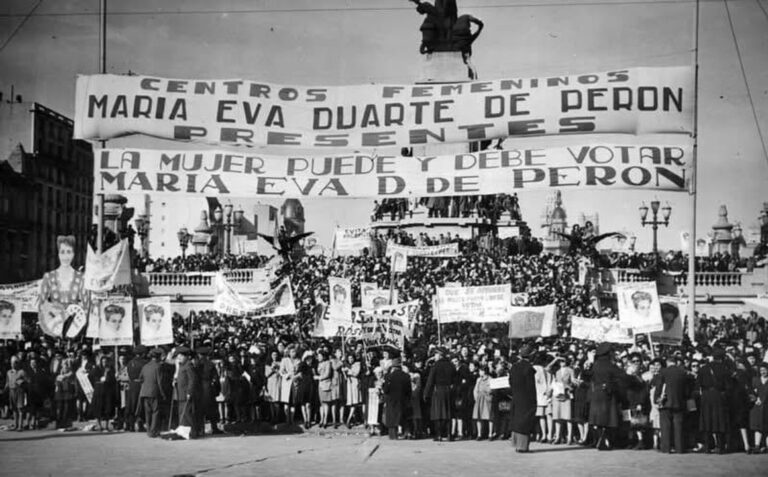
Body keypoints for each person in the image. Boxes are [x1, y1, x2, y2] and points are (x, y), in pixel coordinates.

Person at [38, 235, 88, 337]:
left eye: (69, 252)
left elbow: (86, 306)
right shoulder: (48, 277)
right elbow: (41, 305)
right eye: (62, 252)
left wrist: (78, 327)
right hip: (54, 327)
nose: (65, 256)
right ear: (58, 254)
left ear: (73, 254)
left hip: (74, 327)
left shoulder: (81, 278)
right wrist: (51, 321)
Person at [589, 343, 625, 451]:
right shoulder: (610, 365)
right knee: (608, 420)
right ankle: (605, 441)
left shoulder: (595, 365)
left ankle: (601, 440)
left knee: (599, 420)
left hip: (596, 394)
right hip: (607, 394)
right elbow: (621, 377)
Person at [654, 354, 690, 454]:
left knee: (665, 426)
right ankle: (679, 448)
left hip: (665, 402)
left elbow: (659, 387)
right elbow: (686, 391)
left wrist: (656, 399)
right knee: (678, 427)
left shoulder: (663, 372)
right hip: (679, 402)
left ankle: (666, 448)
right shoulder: (682, 372)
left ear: (667, 362)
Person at [697, 348, 730, 453]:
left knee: (706, 421)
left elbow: (698, 384)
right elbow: (728, 386)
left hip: (706, 396)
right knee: (719, 421)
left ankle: (707, 447)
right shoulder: (724, 368)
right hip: (719, 395)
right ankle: (721, 447)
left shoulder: (703, 368)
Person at [508, 345, 537, 453]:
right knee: (525, 421)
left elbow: (510, 382)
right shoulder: (529, 368)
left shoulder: (514, 366)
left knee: (517, 420)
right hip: (527, 398)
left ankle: (517, 445)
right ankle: (523, 446)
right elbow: (530, 386)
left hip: (516, 397)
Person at [424, 347, 455, 441]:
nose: (435, 356)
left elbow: (430, 381)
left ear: (440, 355)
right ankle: (449, 434)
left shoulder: (435, 366)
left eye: (436, 354)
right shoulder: (451, 365)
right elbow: (455, 378)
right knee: (448, 413)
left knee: (438, 413)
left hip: (438, 390)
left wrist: (426, 393)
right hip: (449, 390)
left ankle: (439, 435)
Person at [139, 348, 166, 438]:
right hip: (154, 392)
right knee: (155, 412)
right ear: (158, 357)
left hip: (145, 392)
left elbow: (140, 378)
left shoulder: (145, 366)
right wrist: (163, 393)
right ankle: (153, 431)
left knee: (148, 412)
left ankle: (149, 430)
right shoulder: (158, 367)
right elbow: (160, 382)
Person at [383, 357, 411, 440]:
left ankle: (393, 435)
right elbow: (409, 390)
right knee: (403, 417)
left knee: (392, 418)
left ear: (393, 367)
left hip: (391, 400)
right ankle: (406, 433)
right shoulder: (406, 376)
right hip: (402, 399)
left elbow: (386, 390)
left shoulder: (389, 376)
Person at [175, 346, 198, 438]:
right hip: (180, 393)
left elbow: (192, 380)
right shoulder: (181, 366)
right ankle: (184, 431)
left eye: (181, 356)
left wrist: (189, 392)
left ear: (186, 356)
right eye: (178, 357)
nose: (179, 358)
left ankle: (192, 432)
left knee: (187, 413)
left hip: (186, 393)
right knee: (182, 413)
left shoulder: (189, 365)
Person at [92, 355, 116, 431]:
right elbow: (92, 377)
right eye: (103, 361)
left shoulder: (110, 369)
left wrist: (108, 376)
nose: (104, 363)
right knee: (98, 408)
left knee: (107, 408)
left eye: (105, 362)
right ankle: (99, 425)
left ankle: (106, 425)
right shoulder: (97, 369)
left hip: (107, 391)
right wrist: (99, 379)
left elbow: (113, 379)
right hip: (99, 391)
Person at [4, 355, 28, 431]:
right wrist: (4, 391)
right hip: (11, 391)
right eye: (11, 363)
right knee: (14, 409)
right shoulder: (8, 372)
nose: (13, 364)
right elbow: (7, 382)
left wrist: (22, 382)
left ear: (18, 363)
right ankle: (15, 425)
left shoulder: (22, 372)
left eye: (15, 363)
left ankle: (20, 426)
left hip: (19, 390)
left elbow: (28, 381)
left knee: (20, 408)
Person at [749, 362, 768, 452]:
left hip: (767, 406)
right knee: (757, 426)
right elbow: (750, 392)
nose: (763, 372)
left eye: (765, 370)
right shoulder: (755, 380)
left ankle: (765, 446)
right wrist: (755, 399)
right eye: (761, 370)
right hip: (757, 407)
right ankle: (757, 446)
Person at [54, 360, 76, 430]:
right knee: (60, 409)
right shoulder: (59, 376)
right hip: (60, 395)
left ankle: (66, 424)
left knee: (67, 409)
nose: (65, 369)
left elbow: (73, 383)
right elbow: (56, 386)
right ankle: (59, 424)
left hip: (68, 394)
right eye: (64, 367)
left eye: (66, 367)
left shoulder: (71, 376)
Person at [472, 364, 492, 440]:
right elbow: (475, 389)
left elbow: (491, 389)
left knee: (489, 416)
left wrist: (488, 394)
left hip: (487, 398)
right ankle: (479, 434)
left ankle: (490, 434)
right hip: (479, 398)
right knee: (478, 416)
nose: (479, 372)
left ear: (484, 371)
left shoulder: (490, 379)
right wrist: (476, 397)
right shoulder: (478, 379)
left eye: (480, 371)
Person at [342, 353, 362, 428]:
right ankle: (354, 419)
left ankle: (349, 420)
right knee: (351, 402)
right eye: (349, 358)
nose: (350, 360)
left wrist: (348, 370)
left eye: (351, 358)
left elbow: (356, 373)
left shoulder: (357, 364)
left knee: (355, 402)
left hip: (355, 383)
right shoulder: (347, 365)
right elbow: (345, 377)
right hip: (349, 384)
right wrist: (344, 372)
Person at [316, 350, 333, 428]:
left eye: (320, 356)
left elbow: (327, 374)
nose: (318, 357)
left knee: (326, 403)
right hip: (320, 385)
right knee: (321, 403)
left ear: (324, 356)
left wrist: (319, 377)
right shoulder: (319, 364)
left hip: (326, 384)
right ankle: (321, 419)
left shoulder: (328, 363)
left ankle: (325, 419)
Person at [265, 350, 282, 423]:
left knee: (276, 401)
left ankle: (277, 417)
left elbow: (282, 373)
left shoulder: (280, 363)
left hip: (277, 382)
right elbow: (266, 375)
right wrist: (272, 368)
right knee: (271, 401)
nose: (275, 356)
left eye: (276, 355)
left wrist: (278, 369)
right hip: (271, 383)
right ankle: (272, 416)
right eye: (273, 355)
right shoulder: (268, 364)